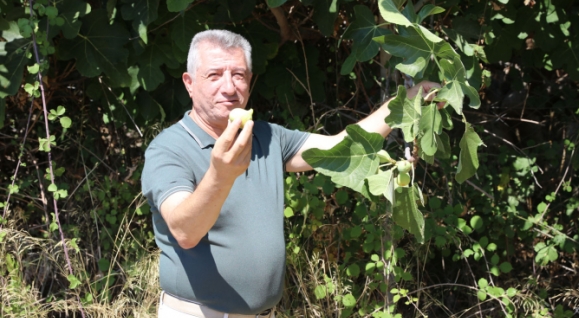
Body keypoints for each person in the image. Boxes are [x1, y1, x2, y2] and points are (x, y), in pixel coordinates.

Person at [141, 29, 438, 318]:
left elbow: (340, 148)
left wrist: (405, 102)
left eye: (239, 75)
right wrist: (220, 175)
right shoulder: (169, 149)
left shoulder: (266, 137)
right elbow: (184, 231)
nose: (229, 87)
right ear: (189, 83)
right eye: (214, 75)